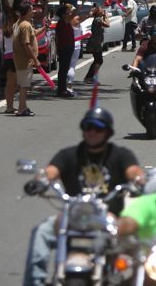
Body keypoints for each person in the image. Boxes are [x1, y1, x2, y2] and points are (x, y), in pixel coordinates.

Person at [23, 108, 143, 286]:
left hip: (109, 218)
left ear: (107, 131)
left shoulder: (120, 155)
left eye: (98, 128)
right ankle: (35, 282)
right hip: (73, 216)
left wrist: (141, 181)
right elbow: (50, 172)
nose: (92, 132)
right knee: (41, 232)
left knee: (141, 243)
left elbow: (134, 171)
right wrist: (40, 181)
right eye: (88, 127)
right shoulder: (69, 154)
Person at [11, 0, 38, 115]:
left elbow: (33, 34)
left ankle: (24, 106)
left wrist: (45, 28)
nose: (34, 11)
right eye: (32, 9)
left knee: (23, 84)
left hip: (19, 59)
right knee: (24, 86)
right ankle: (21, 108)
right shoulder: (25, 25)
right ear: (27, 11)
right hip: (25, 60)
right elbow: (26, 44)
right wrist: (35, 59)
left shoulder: (18, 23)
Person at [54, 3, 79, 97]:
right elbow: (75, 13)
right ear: (64, 14)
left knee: (64, 68)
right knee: (63, 69)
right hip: (64, 47)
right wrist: (83, 2)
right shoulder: (63, 21)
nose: (70, 13)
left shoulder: (65, 21)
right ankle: (61, 90)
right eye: (68, 11)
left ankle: (62, 89)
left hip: (67, 47)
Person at [83, 5, 110, 84]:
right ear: (98, 12)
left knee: (97, 60)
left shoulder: (98, 19)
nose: (103, 11)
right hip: (95, 43)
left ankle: (89, 77)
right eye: (101, 10)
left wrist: (104, 16)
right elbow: (107, 24)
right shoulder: (98, 19)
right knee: (99, 60)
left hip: (97, 42)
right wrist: (106, 16)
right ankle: (89, 77)